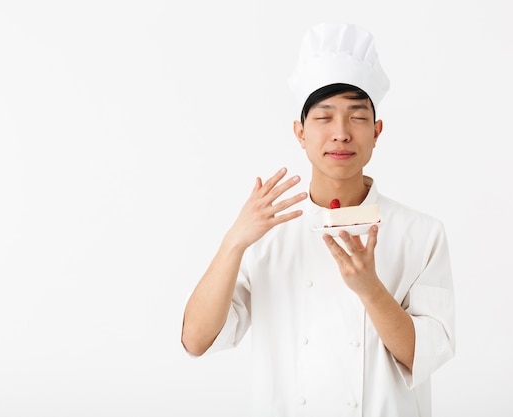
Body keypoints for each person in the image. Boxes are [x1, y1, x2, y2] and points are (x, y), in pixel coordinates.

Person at [181, 22, 455, 417]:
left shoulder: (421, 233)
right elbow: (195, 340)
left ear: (376, 132)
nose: (341, 133)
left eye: (357, 118)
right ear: (300, 132)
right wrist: (233, 242)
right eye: (324, 118)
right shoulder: (265, 233)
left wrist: (370, 289)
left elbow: (423, 356)